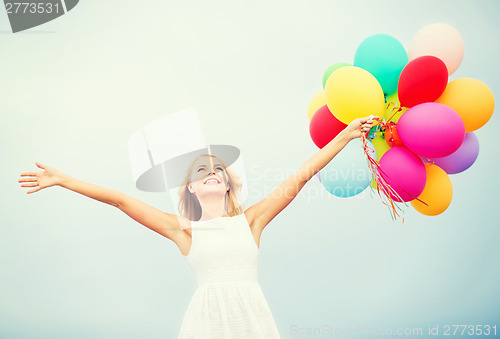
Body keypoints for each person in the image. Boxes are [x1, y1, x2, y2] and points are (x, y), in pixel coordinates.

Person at [18, 116, 374, 338]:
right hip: (206, 320)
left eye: (217, 169)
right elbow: (120, 200)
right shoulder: (184, 231)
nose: (211, 174)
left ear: (228, 183)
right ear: (190, 187)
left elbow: (301, 176)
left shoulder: (251, 220)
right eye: (201, 172)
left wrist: (344, 136)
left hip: (252, 316)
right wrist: (65, 180)